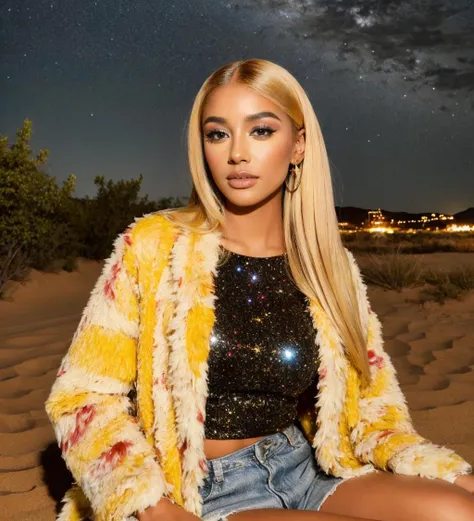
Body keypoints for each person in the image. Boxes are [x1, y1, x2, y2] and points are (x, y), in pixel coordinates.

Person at [45, 59, 474, 521]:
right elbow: (82, 397)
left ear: (298, 145)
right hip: (201, 490)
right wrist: (150, 504)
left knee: (460, 508)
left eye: (261, 131)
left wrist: (444, 471)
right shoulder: (154, 247)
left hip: (305, 468)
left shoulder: (327, 265)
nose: (237, 154)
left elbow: (371, 404)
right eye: (218, 133)